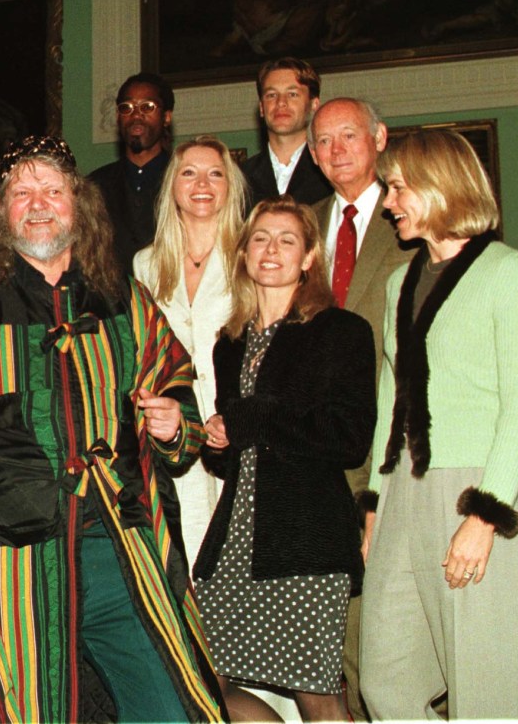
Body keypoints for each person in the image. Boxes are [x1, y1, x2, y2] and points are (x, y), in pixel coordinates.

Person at [0, 135, 225, 722]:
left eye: (53, 191)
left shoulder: (122, 299)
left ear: (78, 205)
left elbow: (175, 387)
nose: (39, 204)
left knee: (170, 705)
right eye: (22, 193)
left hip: (119, 546)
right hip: (14, 559)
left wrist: (172, 426)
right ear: (0, 212)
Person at [359, 130, 518, 719]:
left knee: (484, 688)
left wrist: (485, 516)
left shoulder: (507, 272)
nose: (389, 202)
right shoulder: (398, 283)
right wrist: (374, 504)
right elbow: (391, 398)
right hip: (402, 496)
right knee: (384, 682)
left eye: (397, 187)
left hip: (477, 489)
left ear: (440, 184)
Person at [194, 197, 376, 722]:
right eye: (260, 239)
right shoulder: (230, 343)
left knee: (317, 696)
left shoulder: (341, 332)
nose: (271, 250)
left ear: (309, 257)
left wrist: (254, 418)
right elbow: (238, 454)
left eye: (287, 240)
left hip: (306, 540)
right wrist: (219, 444)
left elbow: (348, 438)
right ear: (244, 253)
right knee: (204, 681)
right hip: (236, 539)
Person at [308, 96, 415, 719]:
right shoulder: (304, 223)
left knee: (401, 625)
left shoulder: (413, 215)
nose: (336, 151)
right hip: (327, 452)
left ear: (378, 136)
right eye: (323, 142)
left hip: (397, 445)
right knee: (343, 627)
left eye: (348, 135)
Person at [133, 134, 246, 565]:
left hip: (231, 427)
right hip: (173, 429)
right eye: (190, 172)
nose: (203, 183)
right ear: (172, 187)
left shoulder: (250, 256)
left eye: (215, 173)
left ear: (229, 186)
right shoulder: (145, 264)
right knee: (183, 555)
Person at [90, 72, 175, 273]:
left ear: (166, 117)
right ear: (118, 118)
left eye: (147, 107)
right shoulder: (94, 186)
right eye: (126, 108)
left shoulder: (184, 179)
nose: (136, 115)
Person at [241, 58, 332, 211]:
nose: (281, 102)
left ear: (313, 105)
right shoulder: (240, 177)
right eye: (271, 95)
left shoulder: (330, 170)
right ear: (262, 108)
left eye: (292, 94)